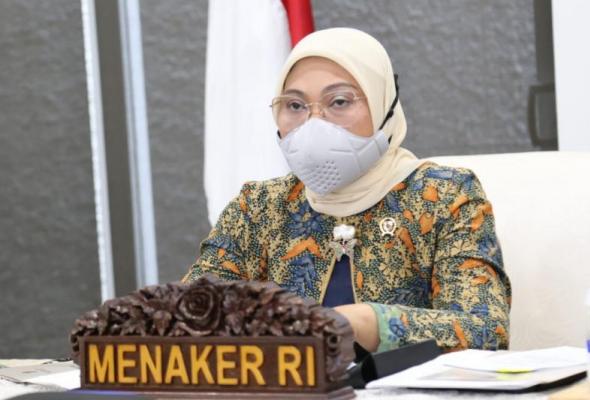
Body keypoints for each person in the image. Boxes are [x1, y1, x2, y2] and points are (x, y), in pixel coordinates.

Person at [183, 28, 511, 353]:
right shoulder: (259, 206)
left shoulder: (443, 196)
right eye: (294, 105)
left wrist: (369, 323)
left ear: (383, 104)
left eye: (339, 101)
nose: (313, 124)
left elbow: (484, 331)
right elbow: (188, 317)